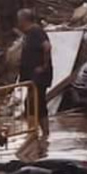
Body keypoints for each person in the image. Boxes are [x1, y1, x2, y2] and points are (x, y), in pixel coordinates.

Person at [18, 8, 53, 141]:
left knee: (31, 105)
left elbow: (47, 47)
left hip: (38, 77)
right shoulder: (28, 33)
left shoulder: (36, 31)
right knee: (40, 105)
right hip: (33, 77)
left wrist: (43, 66)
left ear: (24, 20)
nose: (18, 23)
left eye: (19, 20)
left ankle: (32, 135)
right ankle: (44, 135)